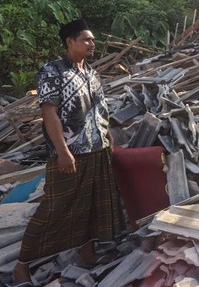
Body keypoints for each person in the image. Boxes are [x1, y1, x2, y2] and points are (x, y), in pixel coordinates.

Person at [13, 19, 124, 284]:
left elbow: (100, 111)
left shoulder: (92, 73)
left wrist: (109, 137)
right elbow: (49, 113)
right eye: (86, 39)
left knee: (91, 205)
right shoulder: (52, 71)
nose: (92, 44)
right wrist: (63, 150)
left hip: (97, 149)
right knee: (54, 206)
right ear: (70, 42)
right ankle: (21, 265)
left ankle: (87, 251)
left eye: (93, 40)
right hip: (71, 152)